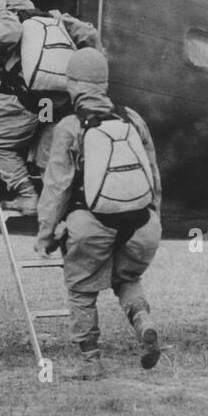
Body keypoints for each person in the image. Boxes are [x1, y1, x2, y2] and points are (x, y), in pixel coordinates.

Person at [36, 49, 163, 380]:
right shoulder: (132, 118)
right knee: (128, 279)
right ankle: (142, 321)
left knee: (81, 291)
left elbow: (56, 187)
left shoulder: (69, 126)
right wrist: (154, 216)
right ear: (104, 83)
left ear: (74, 84)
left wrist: (45, 235)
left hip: (91, 224)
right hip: (143, 225)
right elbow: (153, 175)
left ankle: (91, 361)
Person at [0, 0, 99, 214]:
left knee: (0, 143)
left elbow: (10, 33)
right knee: (45, 147)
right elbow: (90, 34)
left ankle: (27, 196)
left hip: (23, 100)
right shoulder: (54, 17)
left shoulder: (8, 14)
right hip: (54, 100)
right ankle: (59, 205)